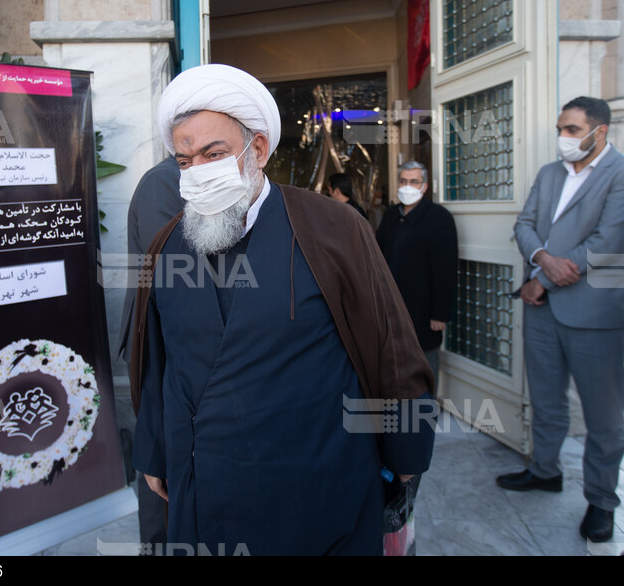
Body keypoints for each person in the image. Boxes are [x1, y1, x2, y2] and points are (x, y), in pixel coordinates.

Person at [129, 64, 436, 555]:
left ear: (258, 149)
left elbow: (391, 346)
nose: (198, 171)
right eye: (185, 162)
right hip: (205, 489)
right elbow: (158, 361)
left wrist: (406, 453)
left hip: (317, 486)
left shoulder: (333, 229)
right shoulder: (167, 245)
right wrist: (154, 453)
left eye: (213, 153)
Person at [499, 96, 624, 543]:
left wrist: (541, 280)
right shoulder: (549, 174)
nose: (563, 138)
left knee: (603, 418)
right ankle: (545, 470)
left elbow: (609, 240)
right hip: (543, 310)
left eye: (571, 129)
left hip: (593, 314)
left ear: (599, 132)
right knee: (546, 401)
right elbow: (525, 225)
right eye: (561, 129)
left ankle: (602, 501)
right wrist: (542, 258)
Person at [117, 154, 183, 549]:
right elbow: (177, 272)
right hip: (160, 342)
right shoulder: (165, 180)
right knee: (160, 460)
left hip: (179, 342)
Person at [375, 161, 457, 381]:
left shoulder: (439, 218)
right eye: (403, 181)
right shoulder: (391, 215)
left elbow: (445, 269)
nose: (407, 186)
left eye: (414, 181)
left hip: (424, 307)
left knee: (424, 360)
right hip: (392, 304)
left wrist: (440, 313)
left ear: (425, 186)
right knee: (393, 359)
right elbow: (378, 255)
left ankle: (424, 411)